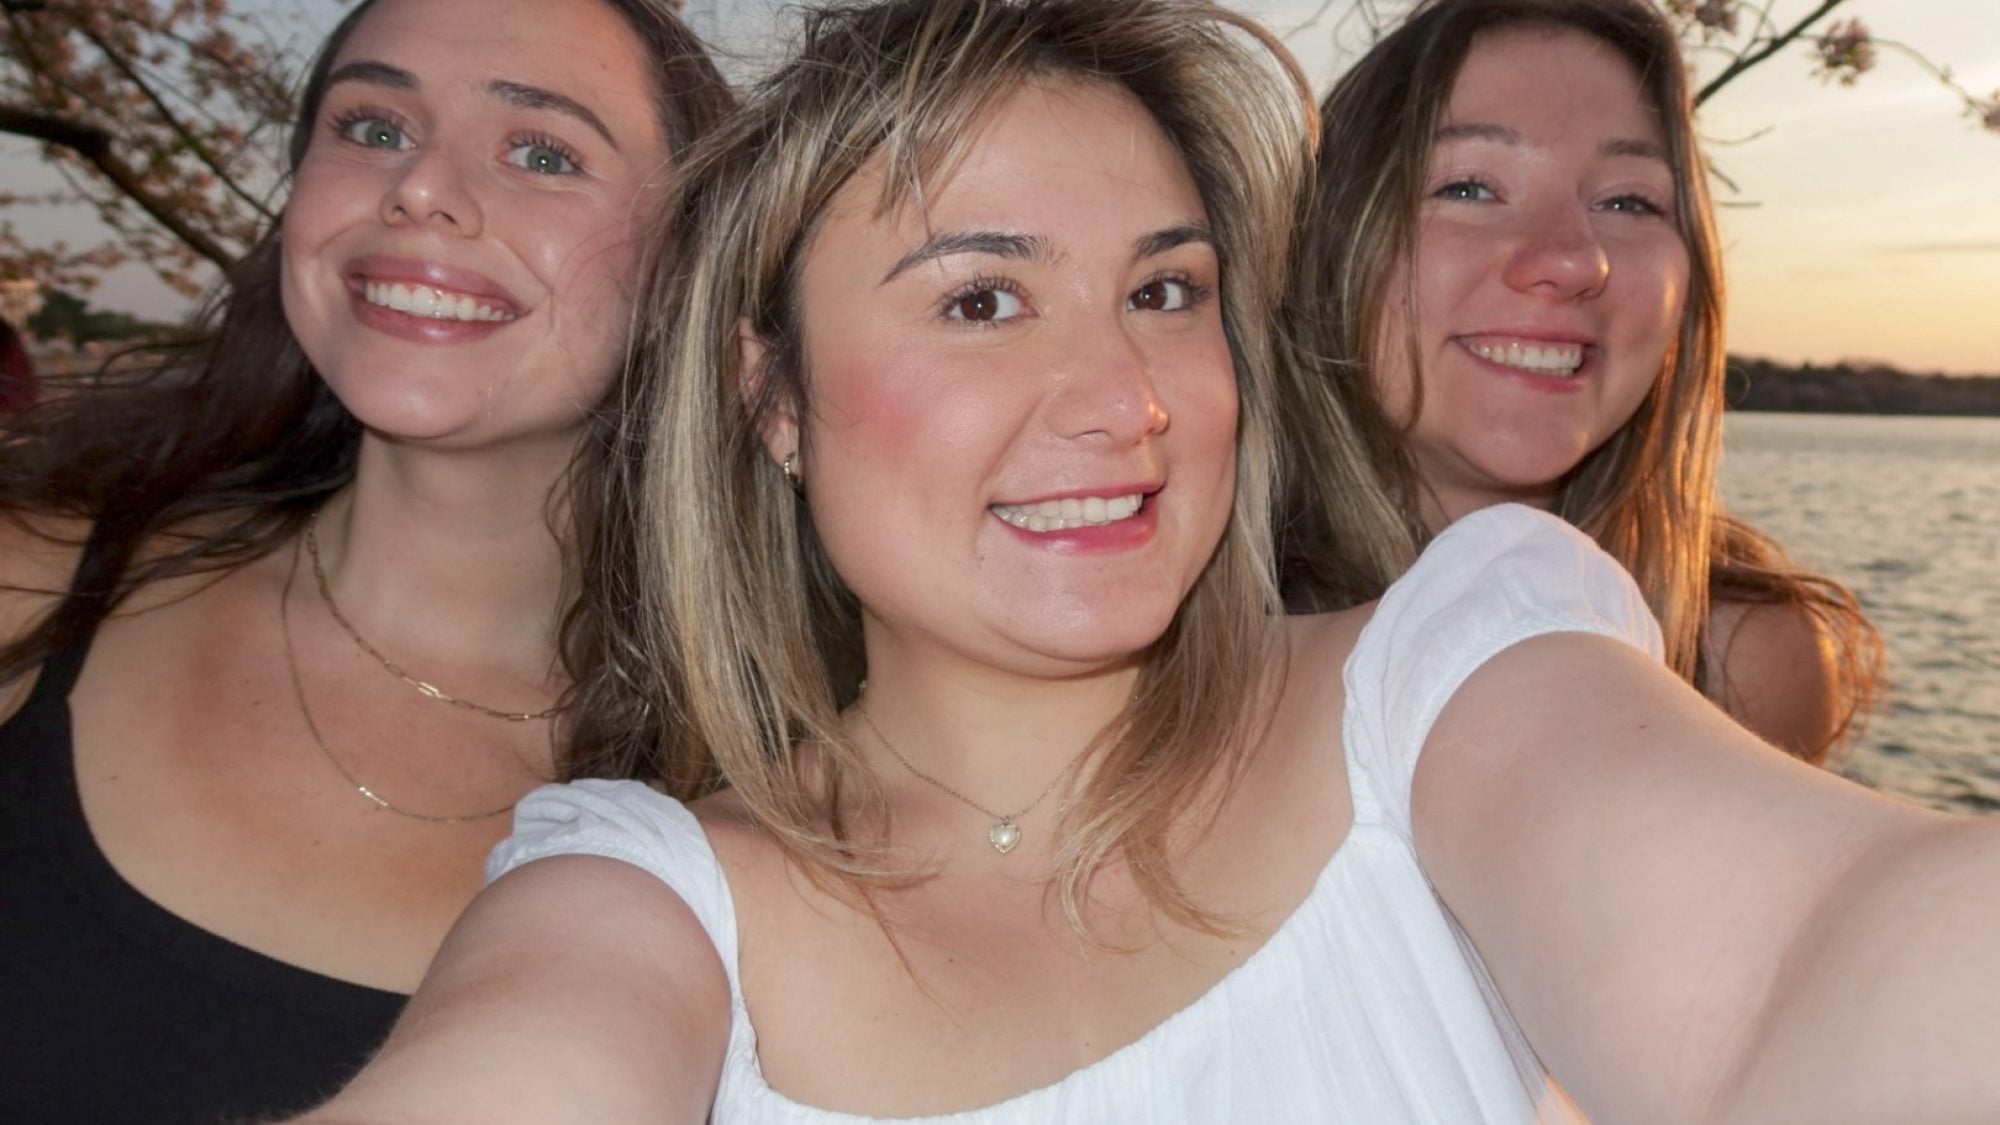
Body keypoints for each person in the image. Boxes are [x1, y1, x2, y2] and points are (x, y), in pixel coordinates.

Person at [292, 1, 2000, 1122]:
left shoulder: (1457, 668)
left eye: (1166, 292)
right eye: (980, 298)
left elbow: (1826, 951)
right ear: (776, 400)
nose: (1124, 401)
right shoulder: (634, 894)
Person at [0, 0, 729, 1120]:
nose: (418, 187)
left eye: (542, 151)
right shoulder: (33, 582)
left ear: (691, 261)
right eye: (373, 127)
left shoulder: (758, 788)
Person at [1277, 0, 1881, 765]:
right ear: (1327, 239)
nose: (1573, 258)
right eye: (1468, 187)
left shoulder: (1739, 661)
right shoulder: (1182, 637)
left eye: (1628, 200)